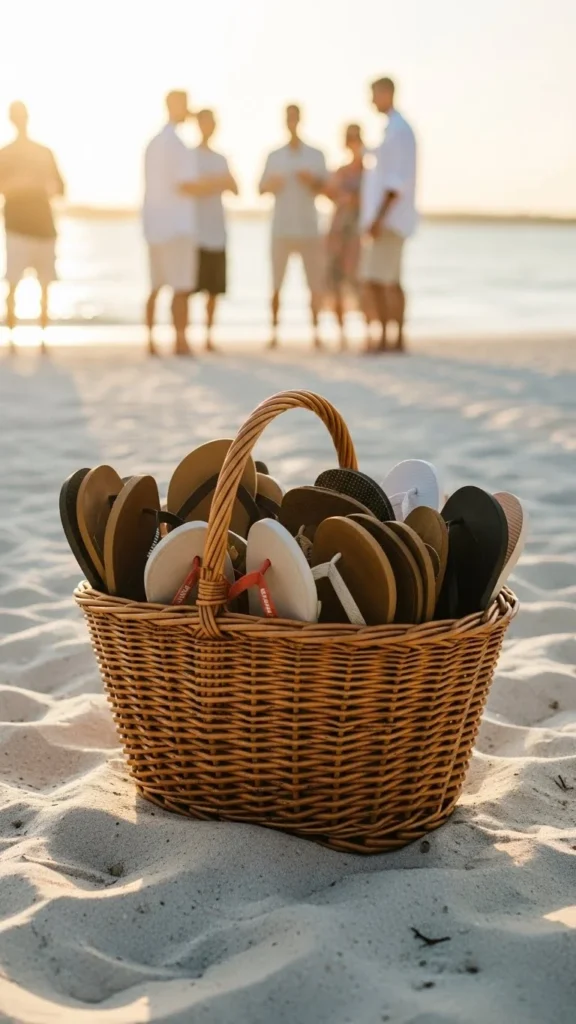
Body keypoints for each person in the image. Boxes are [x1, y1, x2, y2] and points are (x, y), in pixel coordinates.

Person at [259, 104, 327, 349]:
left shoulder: (316, 155)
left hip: (309, 229)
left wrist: (312, 181)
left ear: (300, 119)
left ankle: (316, 333)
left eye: (295, 118)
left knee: (314, 285)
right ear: (284, 121)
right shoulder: (274, 156)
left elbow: (327, 188)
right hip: (281, 229)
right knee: (276, 284)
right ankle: (274, 333)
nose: (292, 122)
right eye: (288, 118)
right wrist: (272, 184)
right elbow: (260, 188)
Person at [0, 101, 65, 347]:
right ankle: (11, 337)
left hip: (44, 227)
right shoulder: (5, 154)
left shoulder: (44, 152)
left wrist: (41, 185)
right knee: (13, 283)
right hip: (16, 227)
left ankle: (44, 339)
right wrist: (19, 185)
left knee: (45, 285)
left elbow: (61, 188)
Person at [360, 77, 417, 353]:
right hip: (391, 218)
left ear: (387, 93)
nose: (371, 100)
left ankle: (386, 339)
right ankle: (395, 339)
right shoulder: (392, 130)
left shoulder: (399, 131)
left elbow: (396, 183)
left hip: (390, 219)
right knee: (390, 280)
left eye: (374, 94)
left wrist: (377, 219)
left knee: (377, 280)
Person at [142, 90, 200, 357]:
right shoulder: (176, 144)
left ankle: (151, 341)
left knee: (156, 286)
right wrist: (217, 183)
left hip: (155, 225)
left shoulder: (154, 142)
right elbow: (185, 184)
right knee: (181, 288)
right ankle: (180, 341)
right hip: (176, 226)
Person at [193, 109, 238, 352]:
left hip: (217, 233)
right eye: (204, 123)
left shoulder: (221, 158)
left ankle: (208, 337)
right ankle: (185, 336)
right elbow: (190, 188)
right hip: (194, 233)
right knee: (188, 288)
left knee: (213, 291)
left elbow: (235, 187)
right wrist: (215, 182)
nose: (208, 127)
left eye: (211, 123)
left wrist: (213, 183)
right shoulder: (189, 156)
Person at [325, 123, 365, 350]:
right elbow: (330, 194)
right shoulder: (340, 171)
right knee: (336, 283)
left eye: (355, 138)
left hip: (359, 233)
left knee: (360, 282)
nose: (352, 142)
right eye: (349, 138)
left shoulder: (369, 172)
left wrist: (352, 198)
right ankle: (342, 334)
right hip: (338, 230)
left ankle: (369, 331)